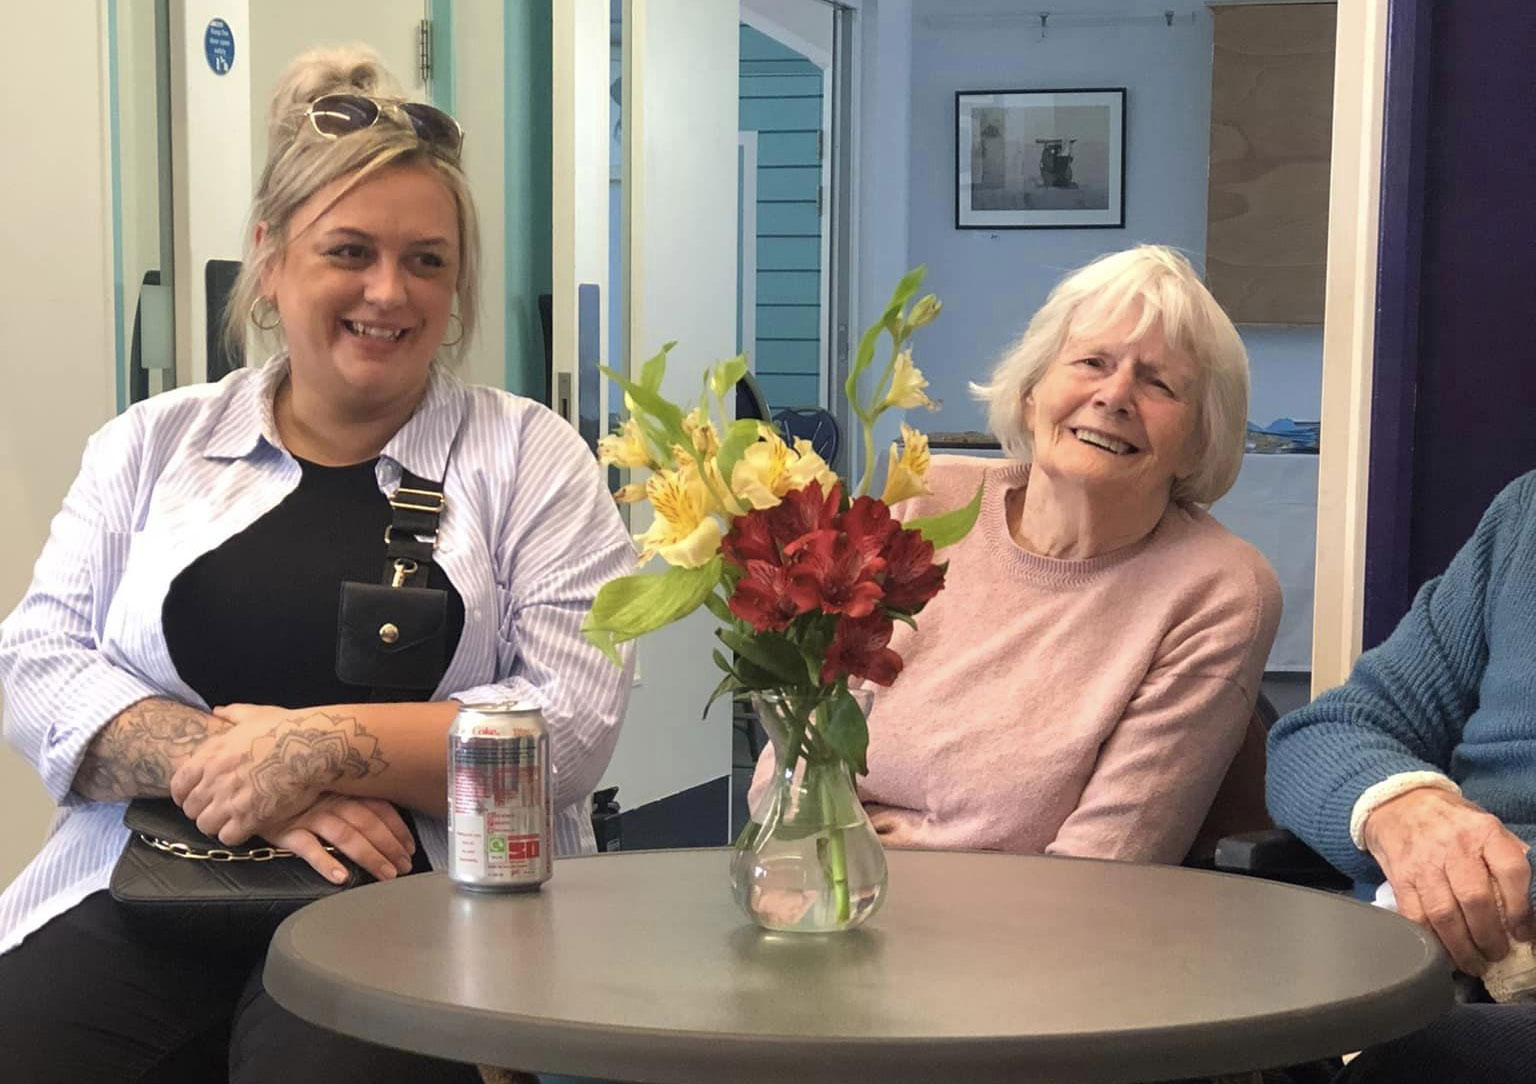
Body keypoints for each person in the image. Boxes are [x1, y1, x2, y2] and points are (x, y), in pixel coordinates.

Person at [0, 47, 634, 1083]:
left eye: (426, 261)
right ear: (270, 254)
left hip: (423, 898)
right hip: (157, 873)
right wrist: (246, 771)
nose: (390, 291)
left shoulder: (530, 457)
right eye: (350, 251)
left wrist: (314, 749)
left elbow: (569, 727)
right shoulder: (151, 444)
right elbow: (36, 666)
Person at [752, 245, 1281, 864]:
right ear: (1032, 393)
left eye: (1158, 383)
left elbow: (1106, 862)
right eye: (1092, 362)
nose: (1114, 395)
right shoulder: (921, 501)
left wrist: (888, 863)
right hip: (826, 889)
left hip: (1034, 921)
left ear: (1199, 443)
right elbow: (784, 778)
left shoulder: (1216, 590)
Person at [1268, 471, 1536, 1083]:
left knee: (1429, 1063)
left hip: (1459, 1004)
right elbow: (1325, 730)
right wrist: (1403, 808)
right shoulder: (1525, 516)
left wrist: (1494, 890)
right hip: (1426, 968)